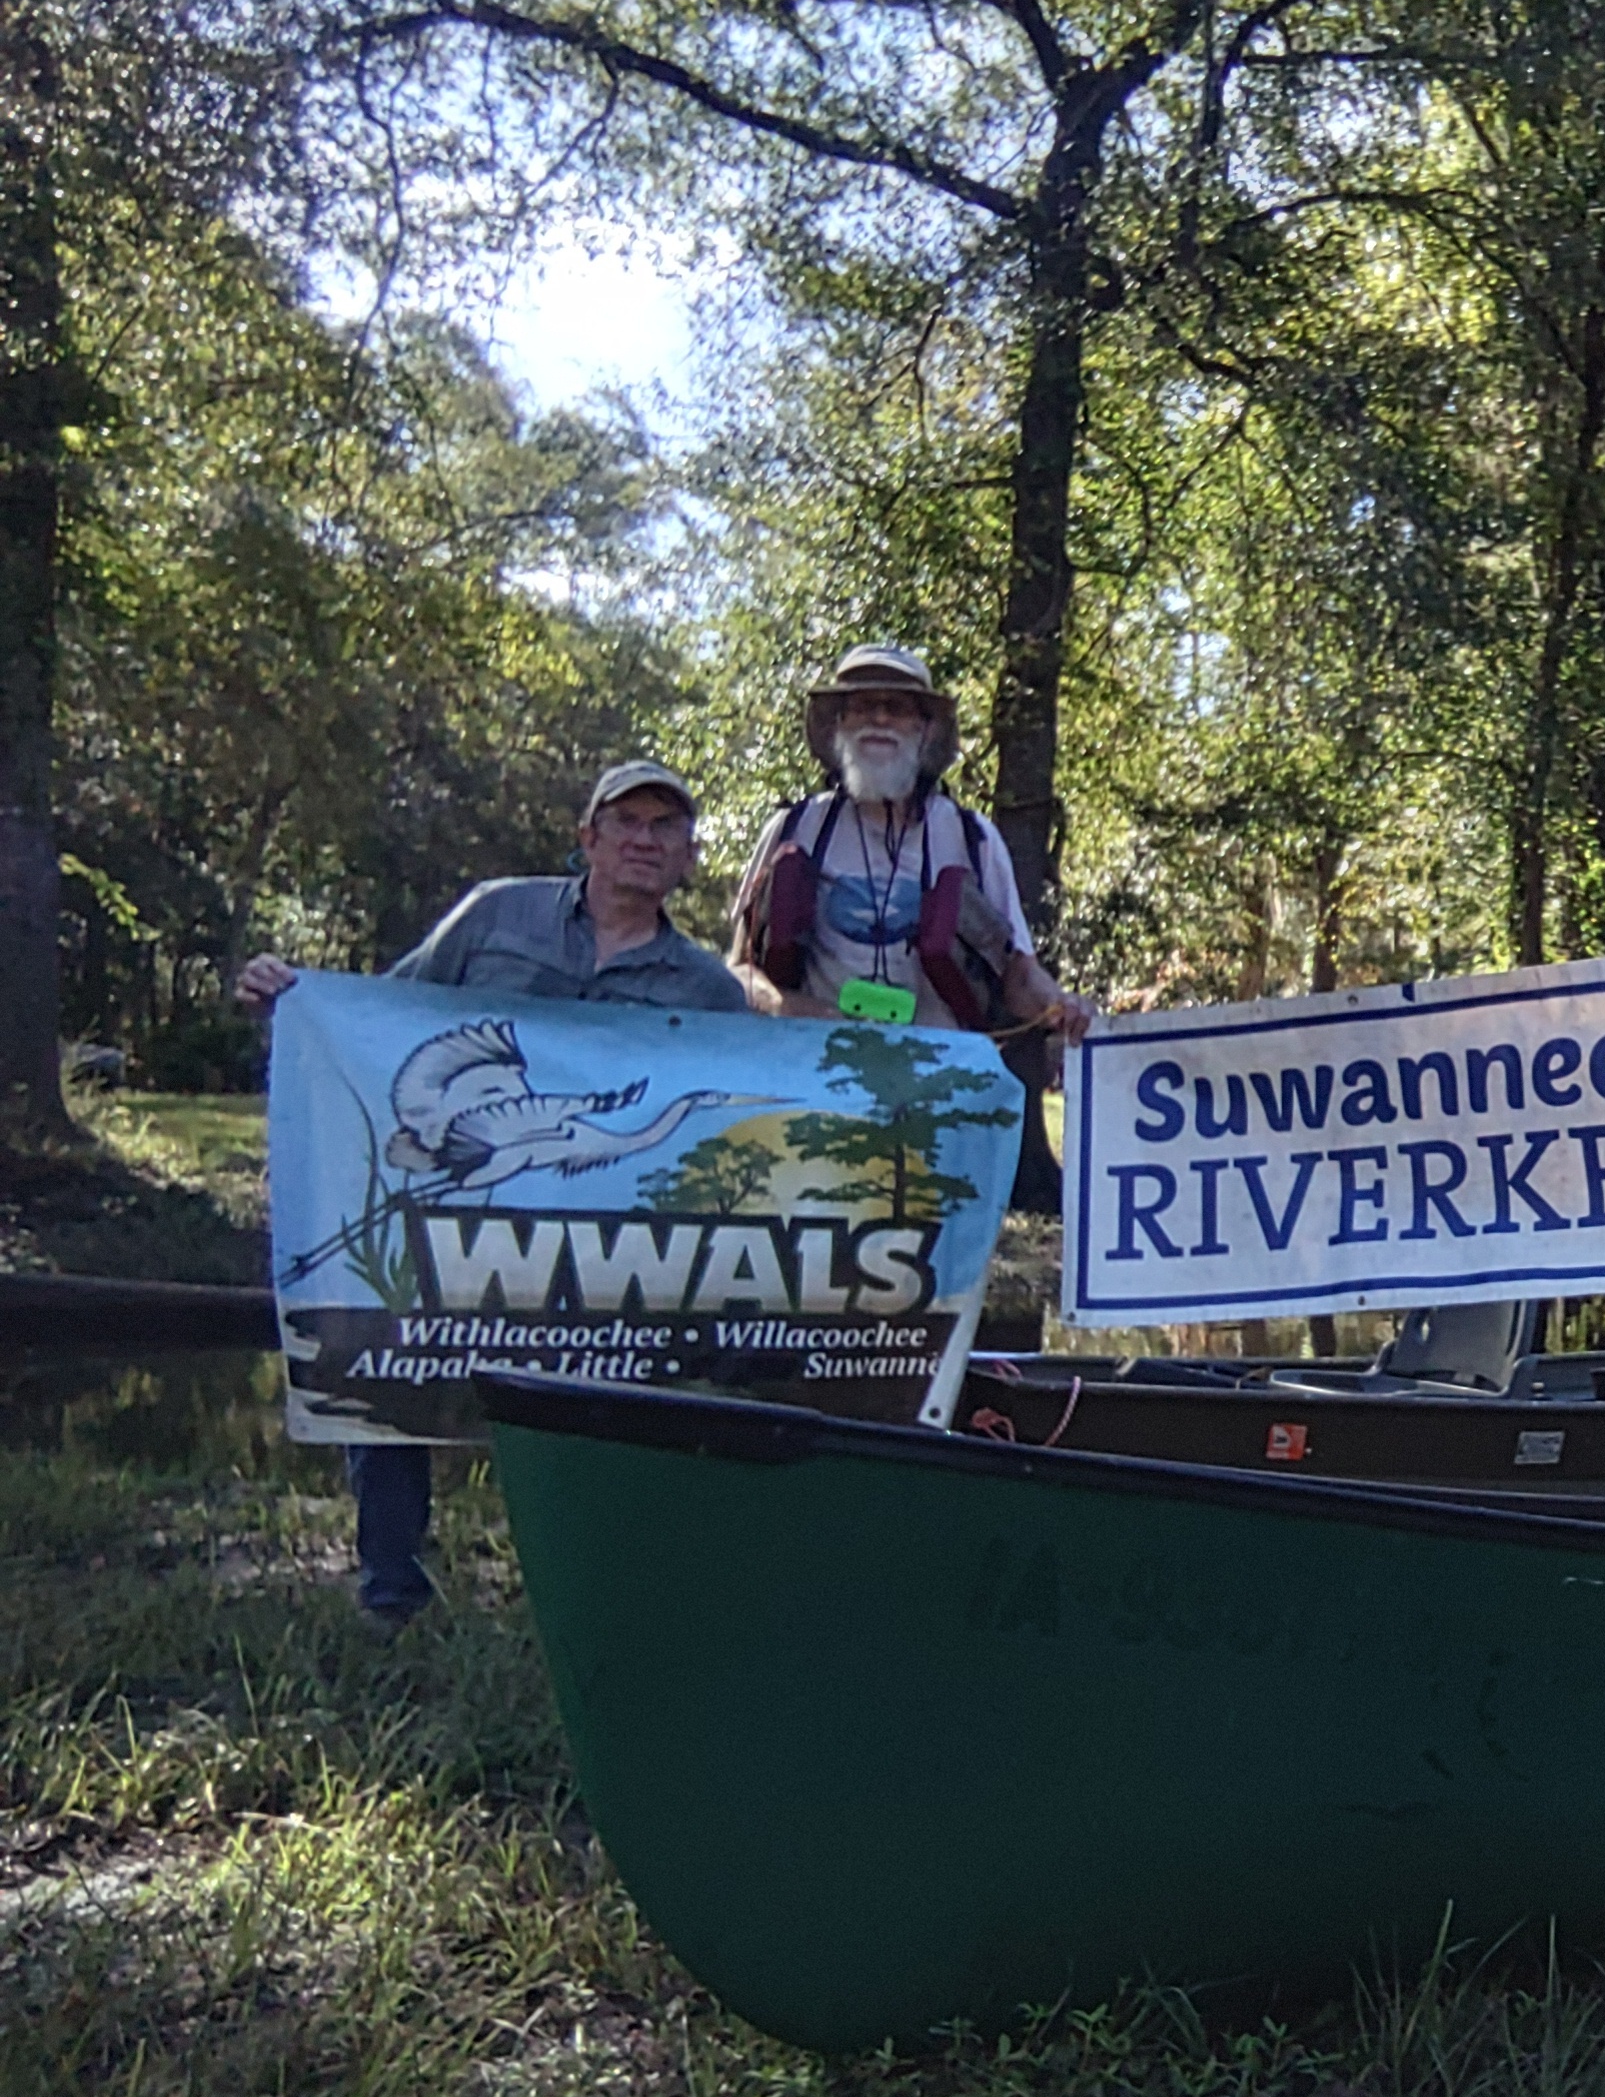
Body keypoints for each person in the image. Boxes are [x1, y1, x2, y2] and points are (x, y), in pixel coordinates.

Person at [237, 759, 748, 1630]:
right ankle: (391, 1592)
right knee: (388, 1349)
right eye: (626, 820)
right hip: (457, 1201)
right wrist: (291, 1001)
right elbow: (383, 1015)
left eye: (666, 828)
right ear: (588, 836)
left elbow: (733, 1115)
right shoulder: (494, 915)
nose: (643, 839)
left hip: (597, 1244)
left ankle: (591, 1599)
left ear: (689, 858)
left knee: (624, 1397)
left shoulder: (707, 991)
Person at [725, 645, 1092, 1045]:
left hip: (942, 1081)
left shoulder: (972, 837)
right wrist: (783, 1005)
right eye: (864, 706)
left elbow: (1018, 976)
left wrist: (1059, 1005)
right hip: (814, 1074)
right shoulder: (795, 829)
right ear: (839, 723)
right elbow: (737, 969)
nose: (880, 719)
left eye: (897, 708)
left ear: (925, 729)